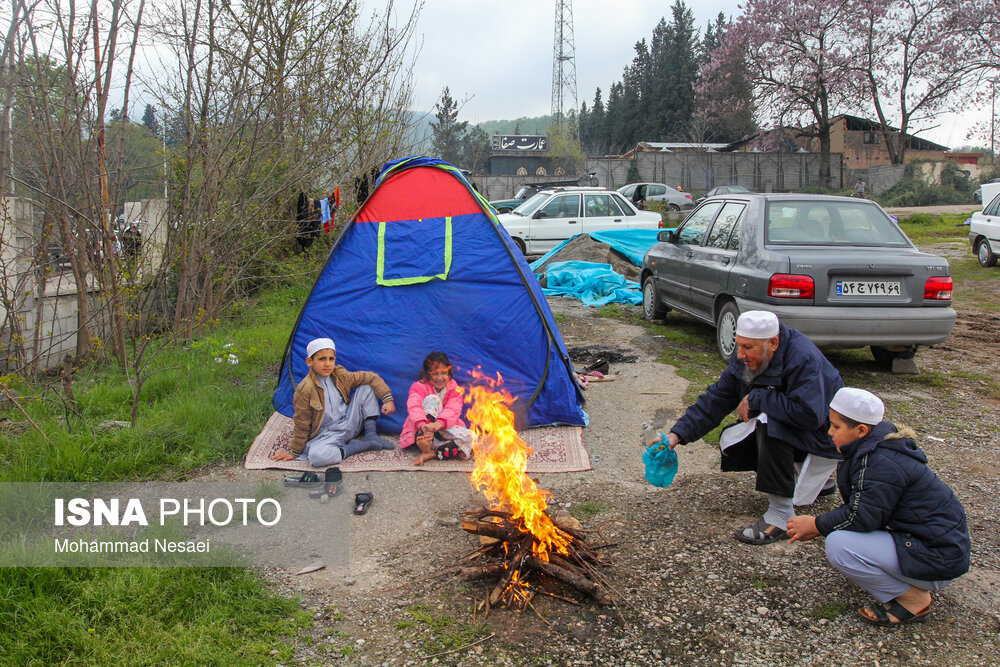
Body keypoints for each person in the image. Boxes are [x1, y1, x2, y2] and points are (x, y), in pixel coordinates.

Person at [787, 388, 970, 626]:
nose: (829, 432)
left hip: (939, 558)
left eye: (836, 426)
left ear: (861, 430)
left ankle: (913, 599)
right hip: (938, 549)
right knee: (843, 536)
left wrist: (816, 524)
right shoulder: (875, 449)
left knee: (839, 545)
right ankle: (908, 582)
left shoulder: (880, 462)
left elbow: (861, 516)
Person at [665, 311, 843, 544]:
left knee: (769, 421)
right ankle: (806, 480)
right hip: (805, 434)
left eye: (747, 347)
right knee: (750, 428)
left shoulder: (803, 359)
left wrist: (759, 397)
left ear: (773, 343)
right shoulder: (746, 357)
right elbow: (718, 397)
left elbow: (810, 416)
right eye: (738, 345)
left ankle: (781, 515)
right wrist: (676, 435)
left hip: (826, 439)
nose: (740, 355)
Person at [272, 338, 396, 466]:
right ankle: (355, 447)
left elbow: (370, 377)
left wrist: (387, 399)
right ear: (309, 362)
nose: (327, 364)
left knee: (366, 388)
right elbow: (302, 423)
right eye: (322, 359)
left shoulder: (339, 375)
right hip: (328, 435)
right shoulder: (305, 389)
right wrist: (295, 451)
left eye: (331, 359)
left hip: (349, 422)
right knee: (316, 457)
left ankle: (371, 434)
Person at [400, 352, 475, 465]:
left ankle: (432, 453)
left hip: (442, 429)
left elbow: (453, 409)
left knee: (472, 438)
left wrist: (438, 424)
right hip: (422, 430)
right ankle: (425, 441)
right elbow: (413, 406)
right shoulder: (419, 387)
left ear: (449, 374)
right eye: (435, 374)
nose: (439, 378)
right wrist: (424, 426)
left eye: (444, 373)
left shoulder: (455, 389)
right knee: (432, 399)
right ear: (428, 374)